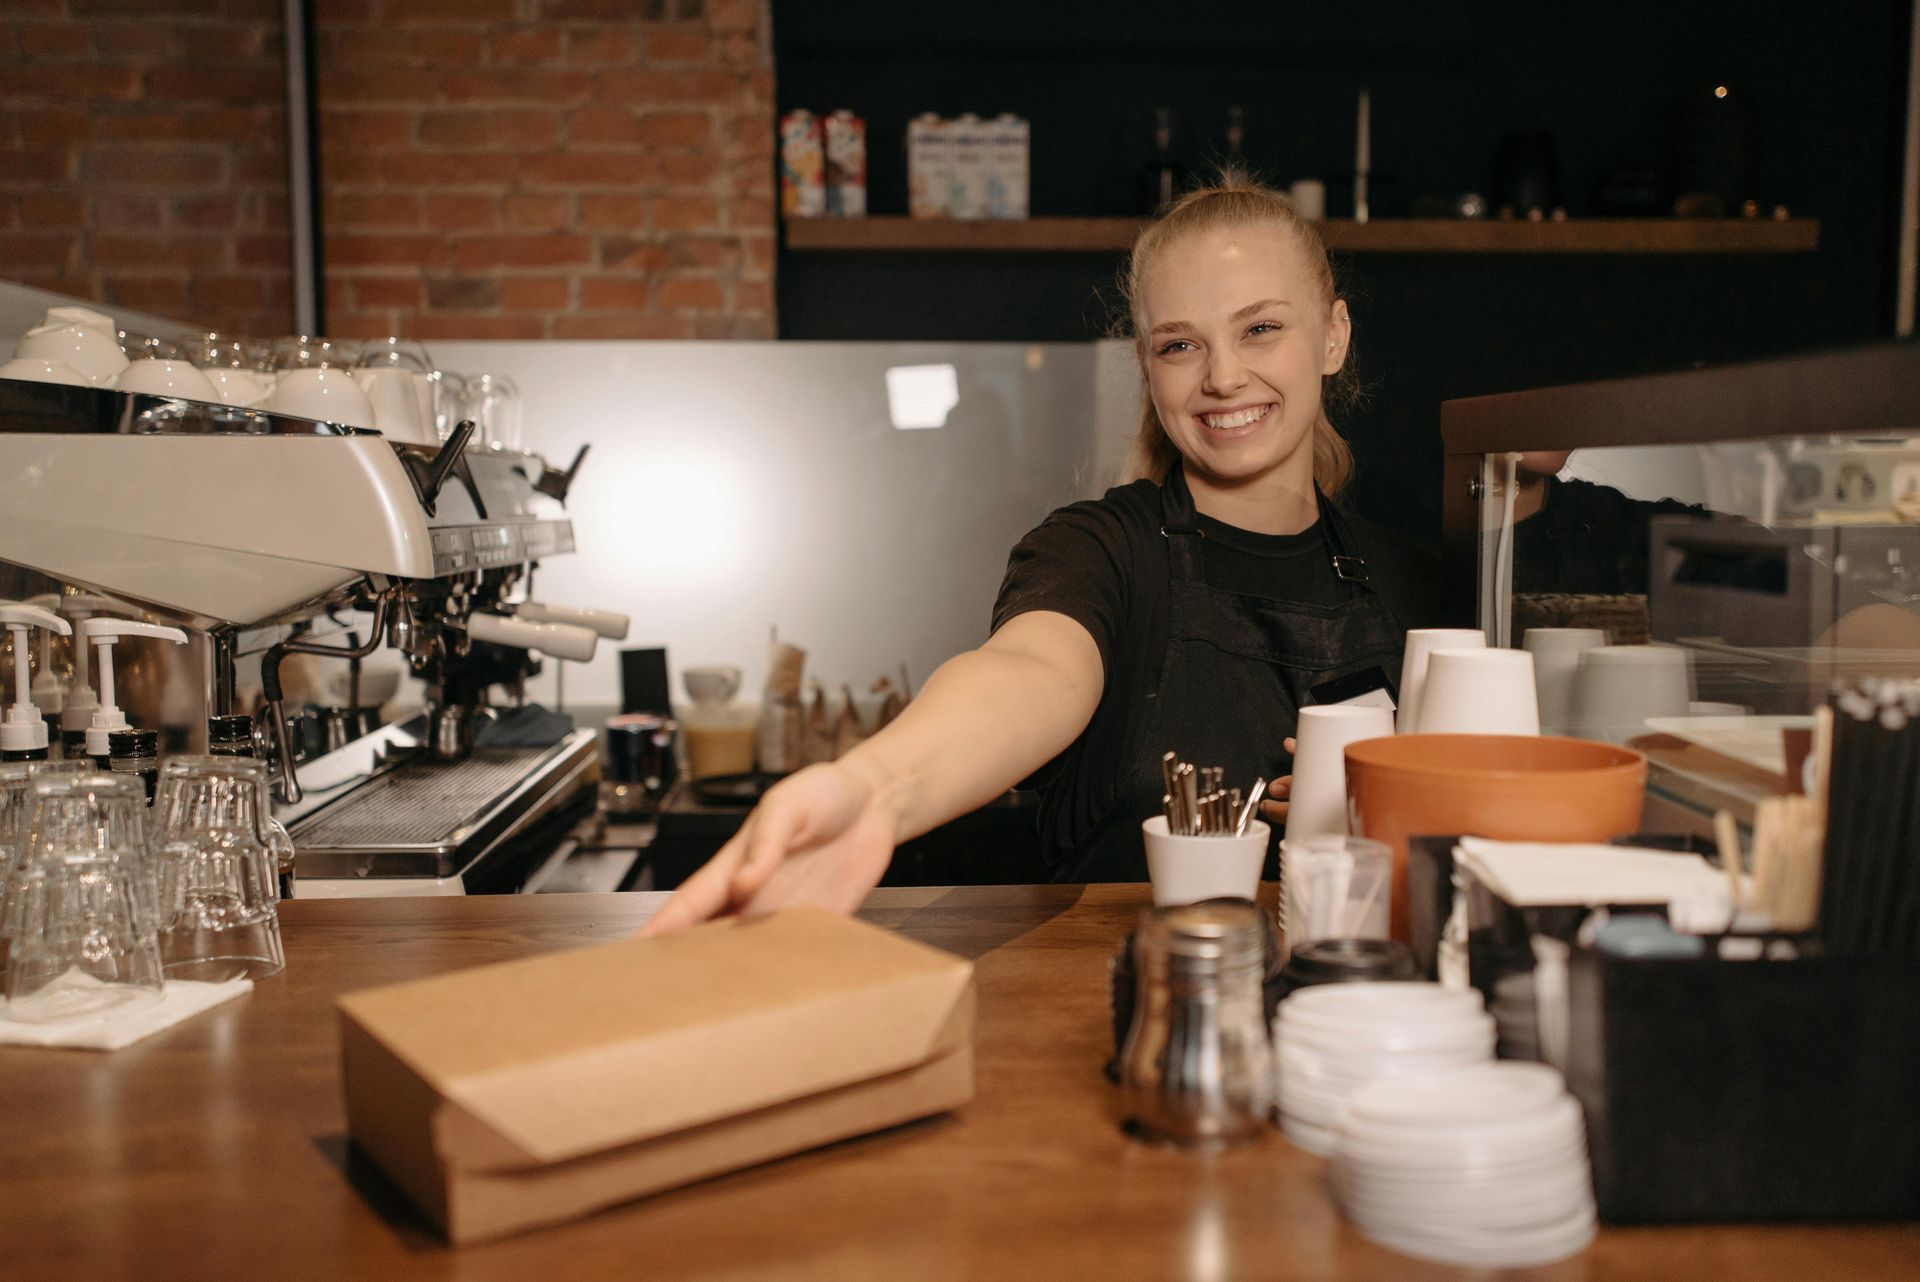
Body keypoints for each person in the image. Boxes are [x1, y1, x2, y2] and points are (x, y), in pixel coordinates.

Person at [645, 179, 1439, 934]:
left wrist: (1403, 805)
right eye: (1179, 345)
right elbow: (1030, 671)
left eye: (1261, 328)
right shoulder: (1099, 551)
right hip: (1122, 1015)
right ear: (1146, 365)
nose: (1224, 377)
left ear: (1333, 336)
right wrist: (873, 790)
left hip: (1362, 1026)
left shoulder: (1417, 585)